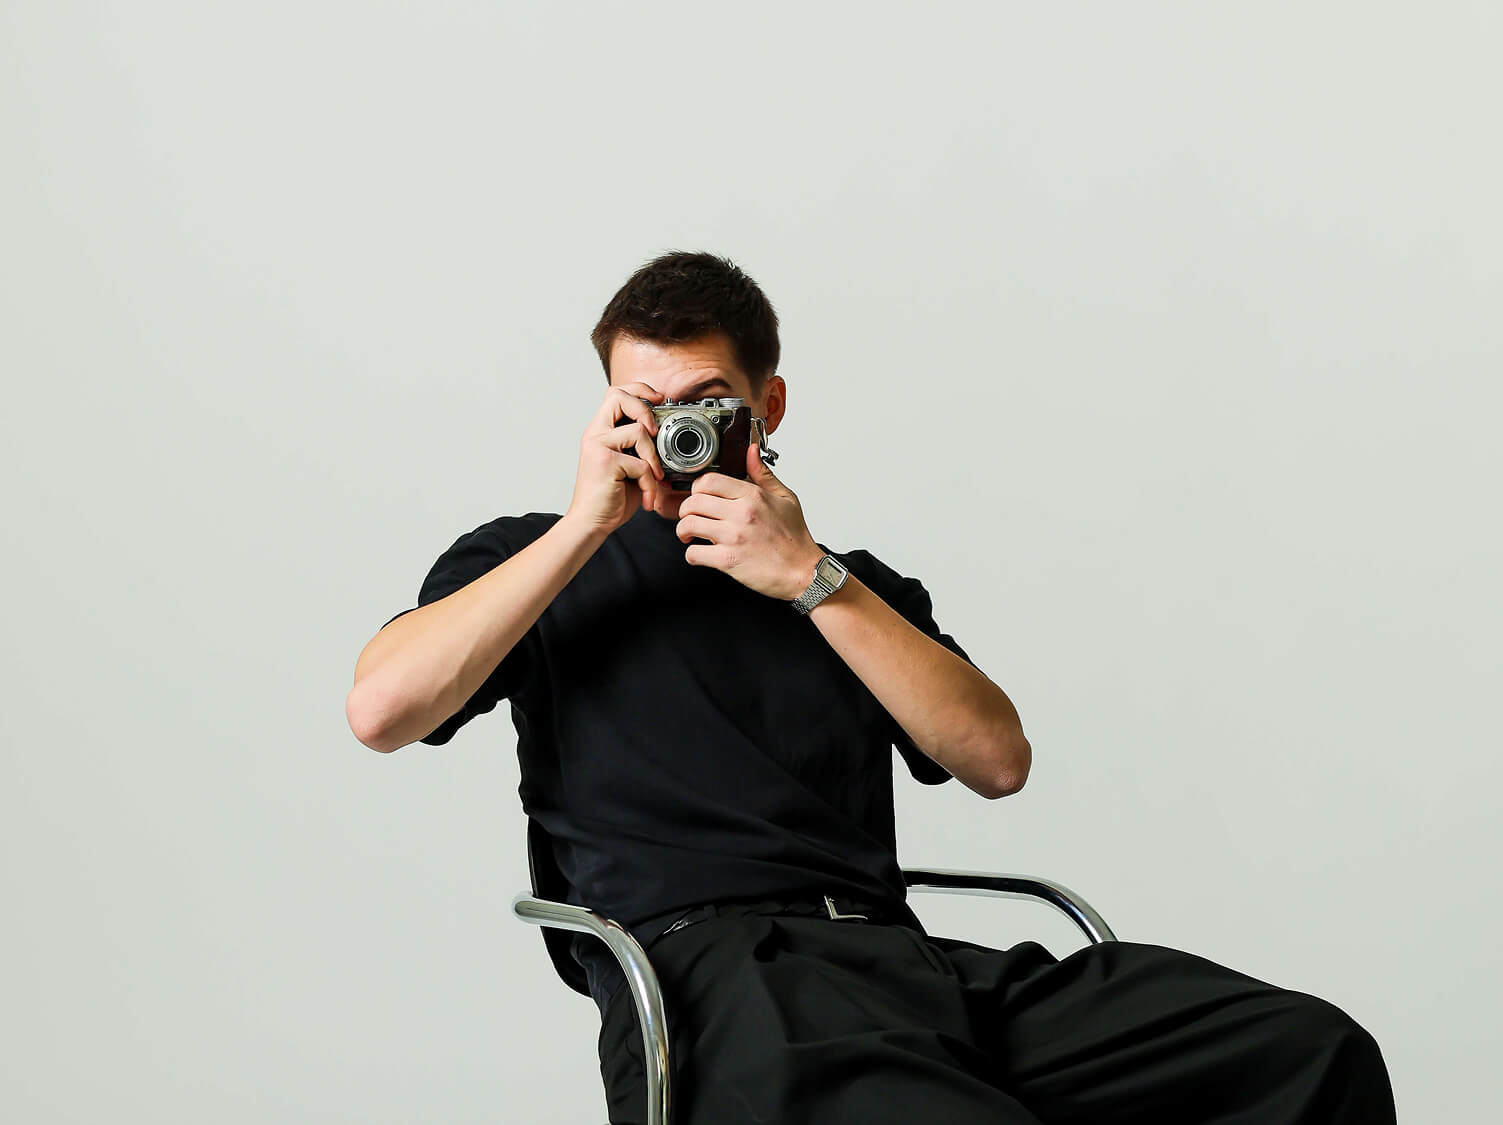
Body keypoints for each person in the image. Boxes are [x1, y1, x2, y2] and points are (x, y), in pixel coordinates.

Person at [346, 250, 1397, 1123]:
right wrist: (585, 526)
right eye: (644, 406)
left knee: (1308, 1056)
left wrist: (809, 578)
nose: (674, 435)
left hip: (904, 963)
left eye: (706, 406)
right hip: (717, 984)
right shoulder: (531, 562)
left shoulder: (847, 588)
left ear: (769, 405)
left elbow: (997, 760)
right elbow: (381, 710)